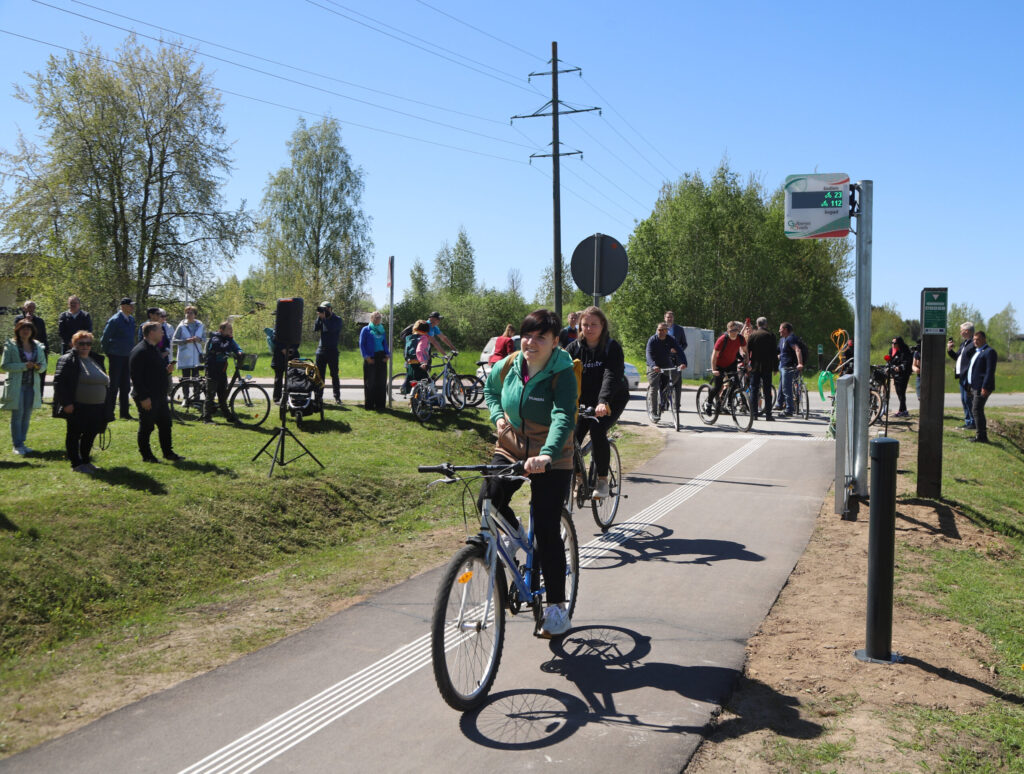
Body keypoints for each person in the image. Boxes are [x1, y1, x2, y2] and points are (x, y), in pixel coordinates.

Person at [481, 309, 576, 638]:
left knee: (547, 529)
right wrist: (497, 418)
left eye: (540, 337)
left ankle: (556, 609)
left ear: (554, 342)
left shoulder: (561, 372)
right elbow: (490, 390)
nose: (531, 342)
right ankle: (517, 536)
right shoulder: (509, 364)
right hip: (510, 445)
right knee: (488, 501)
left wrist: (547, 453)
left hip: (553, 455)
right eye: (527, 335)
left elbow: (563, 415)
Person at [568, 306, 630, 498]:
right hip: (584, 402)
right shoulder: (573, 348)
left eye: (594, 324)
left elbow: (610, 376)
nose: (589, 328)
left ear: (602, 325)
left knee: (597, 429)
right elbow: (562, 375)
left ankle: (602, 480)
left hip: (611, 399)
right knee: (571, 438)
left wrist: (603, 401)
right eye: (585, 324)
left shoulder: (612, 348)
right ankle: (579, 478)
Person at [52, 330, 109, 473]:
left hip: (97, 406)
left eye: (88, 343)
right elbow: (59, 383)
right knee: (74, 434)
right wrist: (66, 403)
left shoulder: (95, 359)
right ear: (73, 344)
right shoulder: (67, 359)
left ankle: (85, 460)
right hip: (77, 405)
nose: (85, 346)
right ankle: (76, 464)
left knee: (91, 433)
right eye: (81, 343)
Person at [130, 321, 182, 462]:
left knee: (165, 424)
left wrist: (166, 372)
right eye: (160, 330)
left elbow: (154, 372)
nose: (163, 333)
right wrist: (144, 397)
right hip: (147, 396)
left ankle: (168, 453)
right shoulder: (140, 351)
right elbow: (136, 377)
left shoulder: (154, 349)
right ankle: (146, 456)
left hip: (159, 395)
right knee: (147, 426)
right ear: (151, 333)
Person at [2, 318, 47, 455]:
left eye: (28, 329)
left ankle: (22, 443)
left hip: (31, 385)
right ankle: (17, 445)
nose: (26, 331)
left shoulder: (37, 346)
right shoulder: (10, 345)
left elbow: (43, 365)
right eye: (23, 329)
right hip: (17, 385)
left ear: (32, 331)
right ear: (18, 330)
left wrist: (38, 367)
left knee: (26, 415)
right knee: (17, 415)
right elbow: (4, 365)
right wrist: (23, 366)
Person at [100, 297, 136, 421]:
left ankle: (124, 413)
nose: (132, 307)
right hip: (116, 356)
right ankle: (109, 413)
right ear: (123, 306)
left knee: (125, 386)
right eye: (130, 305)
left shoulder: (131, 320)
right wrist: (109, 352)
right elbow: (105, 338)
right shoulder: (114, 320)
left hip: (127, 356)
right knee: (114, 385)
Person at [645, 321, 686, 422]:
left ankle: (666, 393)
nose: (662, 332)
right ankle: (654, 412)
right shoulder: (652, 340)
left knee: (676, 374)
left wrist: (684, 362)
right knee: (654, 387)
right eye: (659, 330)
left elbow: (679, 350)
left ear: (667, 331)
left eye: (664, 330)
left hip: (666, 364)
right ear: (657, 330)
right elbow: (648, 355)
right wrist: (653, 365)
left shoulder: (670, 339)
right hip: (653, 366)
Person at [704, 321, 747, 413]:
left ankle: (729, 403)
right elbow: (714, 356)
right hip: (719, 364)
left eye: (736, 330)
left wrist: (747, 364)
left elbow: (745, 352)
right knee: (717, 387)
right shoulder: (722, 340)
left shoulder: (740, 338)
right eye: (732, 330)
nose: (734, 332)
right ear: (728, 331)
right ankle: (709, 403)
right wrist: (714, 369)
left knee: (735, 383)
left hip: (731, 363)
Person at [204, 321, 242, 423]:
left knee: (222, 395)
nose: (231, 331)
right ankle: (206, 418)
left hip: (222, 370)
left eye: (231, 329)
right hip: (212, 369)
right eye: (229, 329)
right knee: (210, 395)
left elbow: (235, 346)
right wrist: (229, 339)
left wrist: (239, 351)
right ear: (221, 330)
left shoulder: (228, 339)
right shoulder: (216, 338)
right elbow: (222, 347)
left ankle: (228, 416)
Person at [14, 300, 49, 401]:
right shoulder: (18, 319)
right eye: (29, 307)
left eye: (33, 307)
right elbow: (16, 332)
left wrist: (45, 350)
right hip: (24, 349)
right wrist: (26, 320)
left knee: (40, 373)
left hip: (38, 349)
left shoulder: (39, 321)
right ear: (24, 308)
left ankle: (39, 396)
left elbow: (43, 336)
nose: (31, 309)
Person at [966, 331, 997, 444]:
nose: (975, 341)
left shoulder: (989, 352)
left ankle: (981, 436)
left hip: (982, 387)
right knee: (976, 410)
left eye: (977, 339)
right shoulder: (976, 352)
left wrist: (985, 387)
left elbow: (989, 371)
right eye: (974, 339)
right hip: (973, 386)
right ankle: (980, 435)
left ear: (984, 339)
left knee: (977, 410)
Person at [745, 317, 778, 422]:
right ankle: (768, 414)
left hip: (755, 366)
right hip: (767, 367)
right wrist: (775, 367)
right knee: (767, 391)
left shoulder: (753, 335)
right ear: (766, 324)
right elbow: (774, 353)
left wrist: (747, 364)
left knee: (754, 390)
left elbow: (747, 351)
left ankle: (754, 414)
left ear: (757, 324)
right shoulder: (771, 335)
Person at [947, 321, 977, 430]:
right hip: (961, 375)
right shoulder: (964, 344)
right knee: (964, 399)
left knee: (968, 399)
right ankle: (968, 421)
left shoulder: (973, 344)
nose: (960, 332)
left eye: (961, 330)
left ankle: (973, 422)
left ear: (967, 331)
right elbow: (957, 358)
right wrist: (950, 350)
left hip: (968, 376)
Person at [173, 306, 206, 400]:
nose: (188, 314)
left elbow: (204, 339)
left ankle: (196, 398)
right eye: (187, 312)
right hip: (185, 356)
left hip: (196, 356)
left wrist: (199, 339)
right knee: (185, 379)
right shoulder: (181, 326)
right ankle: (186, 398)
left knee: (196, 378)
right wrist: (185, 341)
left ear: (195, 315)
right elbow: (174, 340)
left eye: (191, 313)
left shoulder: (200, 325)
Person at [359, 311, 390, 410]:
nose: (377, 319)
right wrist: (366, 357)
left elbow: (385, 343)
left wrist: (387, 355)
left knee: (381, 381)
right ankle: (369, 405)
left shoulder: (382, 330)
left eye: (379, 317)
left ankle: (380, 405)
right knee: (370, 382)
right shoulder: (366, 329)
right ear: (371, 318)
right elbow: (361, 344)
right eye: (376, 317)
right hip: (370, 357)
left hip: (381, 356)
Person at [314, 301, 343, 405]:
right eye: (322, 309)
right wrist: (319, 317)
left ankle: (337, 397)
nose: (324, 311)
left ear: (330, 309)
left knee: (334, 375)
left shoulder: (337, 320)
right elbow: (315, 328)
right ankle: (318, 398)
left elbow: (331, 329)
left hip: (332, 351)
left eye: (325, 309)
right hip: (321, 351)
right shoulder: (322, 318)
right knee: (319, 376)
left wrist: (324, 318)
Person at [775, 322, 804, 417]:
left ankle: (789, 410)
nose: (779, 330)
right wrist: (779, 356)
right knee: (782, 386)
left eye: (781, 329)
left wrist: (800, 363)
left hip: (788, 366)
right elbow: (781, 351)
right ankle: (779, 404)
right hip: (782, 366)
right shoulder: (783, 339)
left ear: (786, 330)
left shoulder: (791, 338)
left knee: (786, 389)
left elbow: (797, 350)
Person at [889, 336, 913, 417]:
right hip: (895, 374)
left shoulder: (905, 351)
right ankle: (904, 410)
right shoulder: (892, 351)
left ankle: (901, 410)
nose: (893, 344)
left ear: (899, 343)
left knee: (901, 392)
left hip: (904, 374)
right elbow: (891, 361)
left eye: (894, 343)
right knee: (898, 392)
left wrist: (900, 367)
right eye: (892, 343)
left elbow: (907, 362)